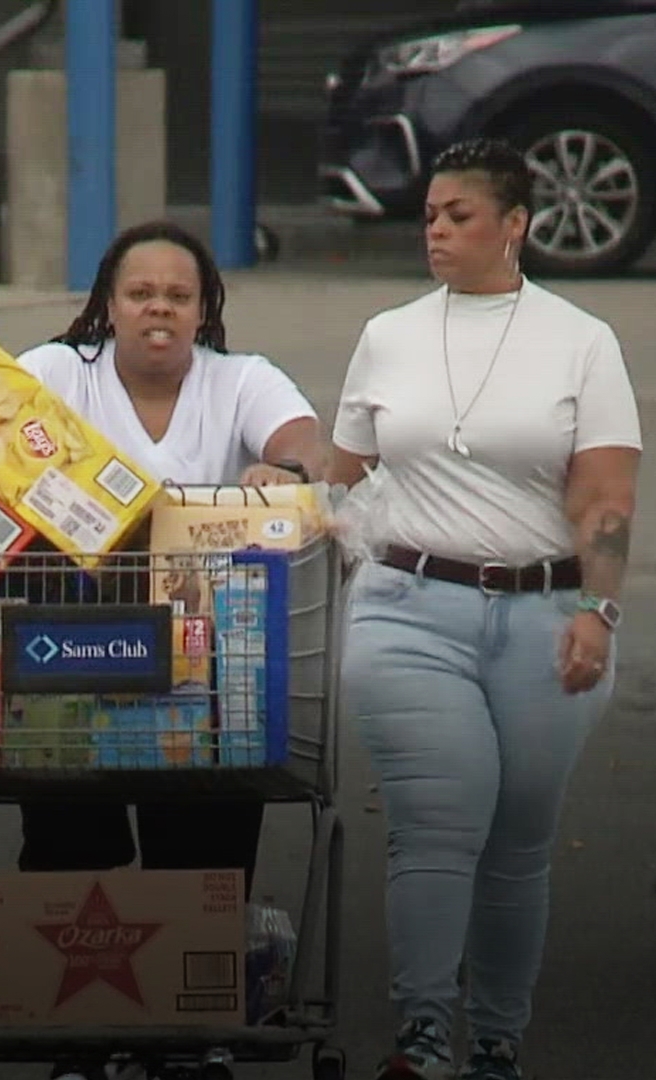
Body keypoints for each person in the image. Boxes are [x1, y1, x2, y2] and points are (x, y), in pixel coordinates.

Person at [0, 221, 326, 1080]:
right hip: (67, 655)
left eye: (178, 295)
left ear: (205, 309)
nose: (158, 310)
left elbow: (306, 442)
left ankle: (189, 1024)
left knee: (202, 837)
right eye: (141, 294)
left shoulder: (240, 380)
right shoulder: (59, 372)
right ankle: (79, 1037)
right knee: (69, 836)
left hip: (204, 670)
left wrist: (286, 471)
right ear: (107, 305)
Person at [326, 138, 640, 1080]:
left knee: (517, 841)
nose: (435, 231)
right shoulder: (389, 334)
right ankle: (423, 1036)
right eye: (428, 215)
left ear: (515, 226)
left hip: (546, 614)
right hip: (409, 608)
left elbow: (605, 500)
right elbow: (343, 475)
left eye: (458, 216)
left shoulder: (581, 340)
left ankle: (497, 1040)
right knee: (437, 820)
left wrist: (599, 609)